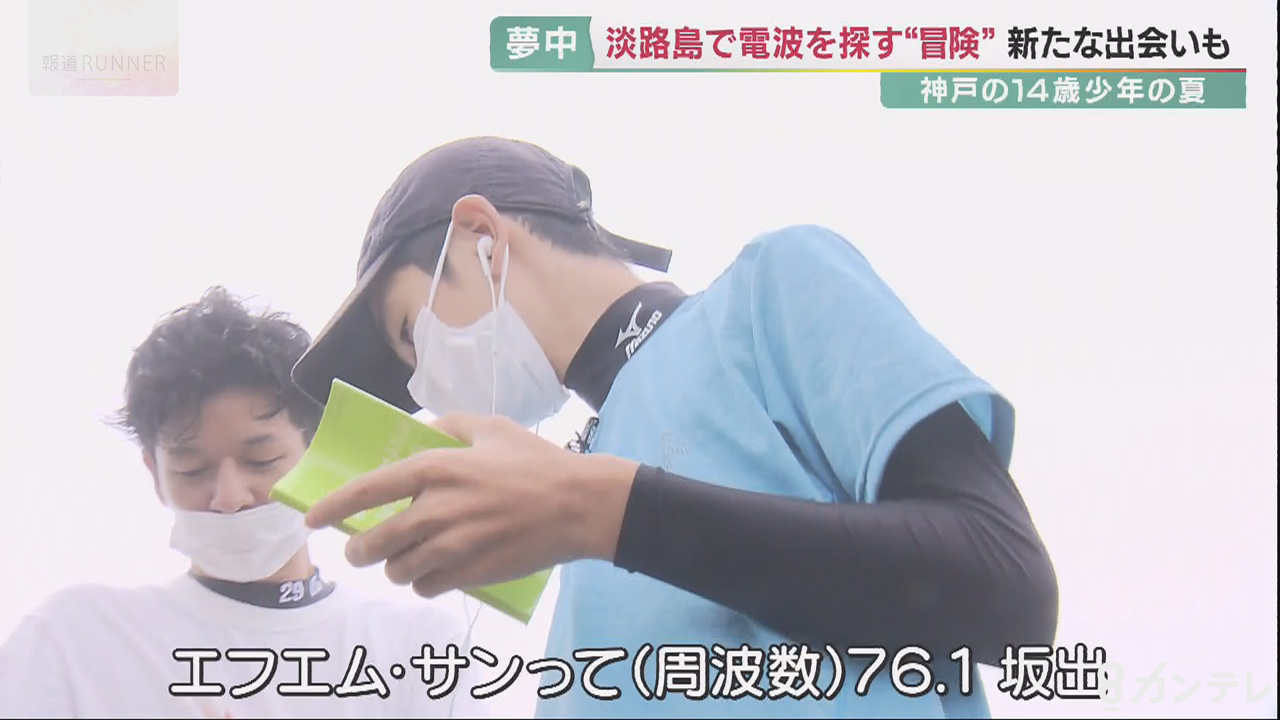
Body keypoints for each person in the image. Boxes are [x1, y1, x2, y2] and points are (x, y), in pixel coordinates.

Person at [291, 136, 1060, 719]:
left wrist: (604, 511)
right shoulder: (579, 515)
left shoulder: (770, 296)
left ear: (482, 236)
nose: (425, 383)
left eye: (412, 333)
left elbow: (1007, 590)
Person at [0, 287, 489, 719]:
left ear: (316, 451)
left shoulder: (418, 653)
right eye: (193, 470)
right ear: (155, 474)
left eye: (261, 460)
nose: (230, 498)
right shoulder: (74, 643)